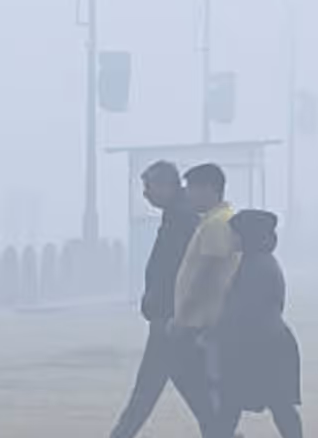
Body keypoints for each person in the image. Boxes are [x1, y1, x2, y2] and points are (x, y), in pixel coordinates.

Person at [109, 161, 215, 438]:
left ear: (168, 185)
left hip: (170, 321)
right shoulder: (177, 215)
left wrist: (168, 310)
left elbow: (181, 273)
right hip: (173, 319)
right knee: (195, 391)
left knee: (145, 393)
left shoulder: (181, 219)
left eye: (149, 187)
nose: (145, 194)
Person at [210, 210, 303, 438]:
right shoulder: (259, 263)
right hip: (267, 344)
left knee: (234, 406)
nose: (231, 239)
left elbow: (241, 310)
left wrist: (214, 331)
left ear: (248, 236)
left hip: (261, 347)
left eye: (235, 234)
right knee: (275, 407)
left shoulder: (256, 267)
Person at [171, 163, 241, 433]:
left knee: (193, 378)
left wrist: (182, 316)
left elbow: (206, 273)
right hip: (203, 318)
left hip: (201, 320)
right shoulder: (217, 220)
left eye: (191, 189)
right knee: (203, 383)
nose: (187, 195)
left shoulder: (216, 224)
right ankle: (217, 429)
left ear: (209, 189)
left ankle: (219, 430)